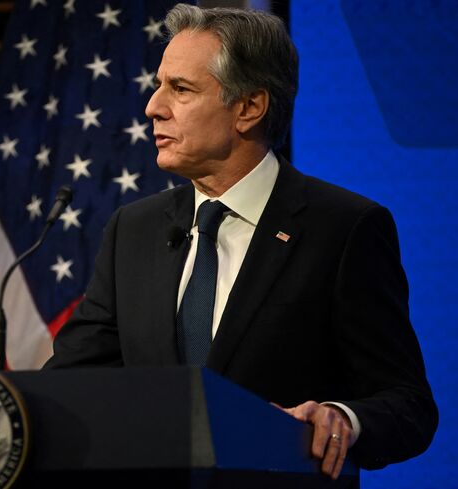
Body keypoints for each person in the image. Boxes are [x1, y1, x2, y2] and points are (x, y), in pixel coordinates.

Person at [44, 3, 437, 480]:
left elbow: (409, 406)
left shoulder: (344, 228)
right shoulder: (133, 229)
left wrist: (343, 419)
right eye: (158, 86)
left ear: (249, 108)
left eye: (180, 89)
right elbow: (69, 385)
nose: (153, 107)